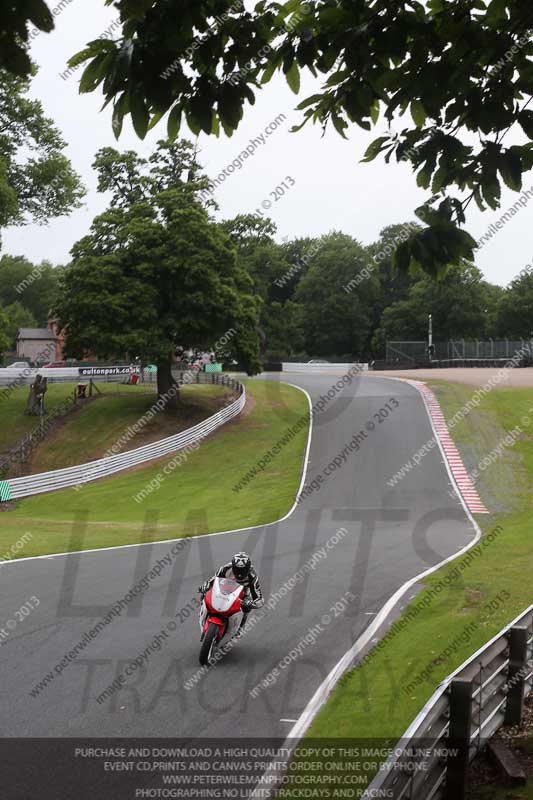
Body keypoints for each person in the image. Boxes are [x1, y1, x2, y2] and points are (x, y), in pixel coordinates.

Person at [200, 552, 264, 631]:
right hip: (225, 586)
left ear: (248, 568)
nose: (240, 573)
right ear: (233, 566)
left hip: (243, 592)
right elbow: (214, 579)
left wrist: (252, 603)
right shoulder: (225, 568)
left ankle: (240, 628)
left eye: (243, 570)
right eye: (237, 569)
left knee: (246, 608)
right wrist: (206, 585)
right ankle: (203, 612)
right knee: (204, 593)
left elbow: (259, 597)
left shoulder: (253, 576)